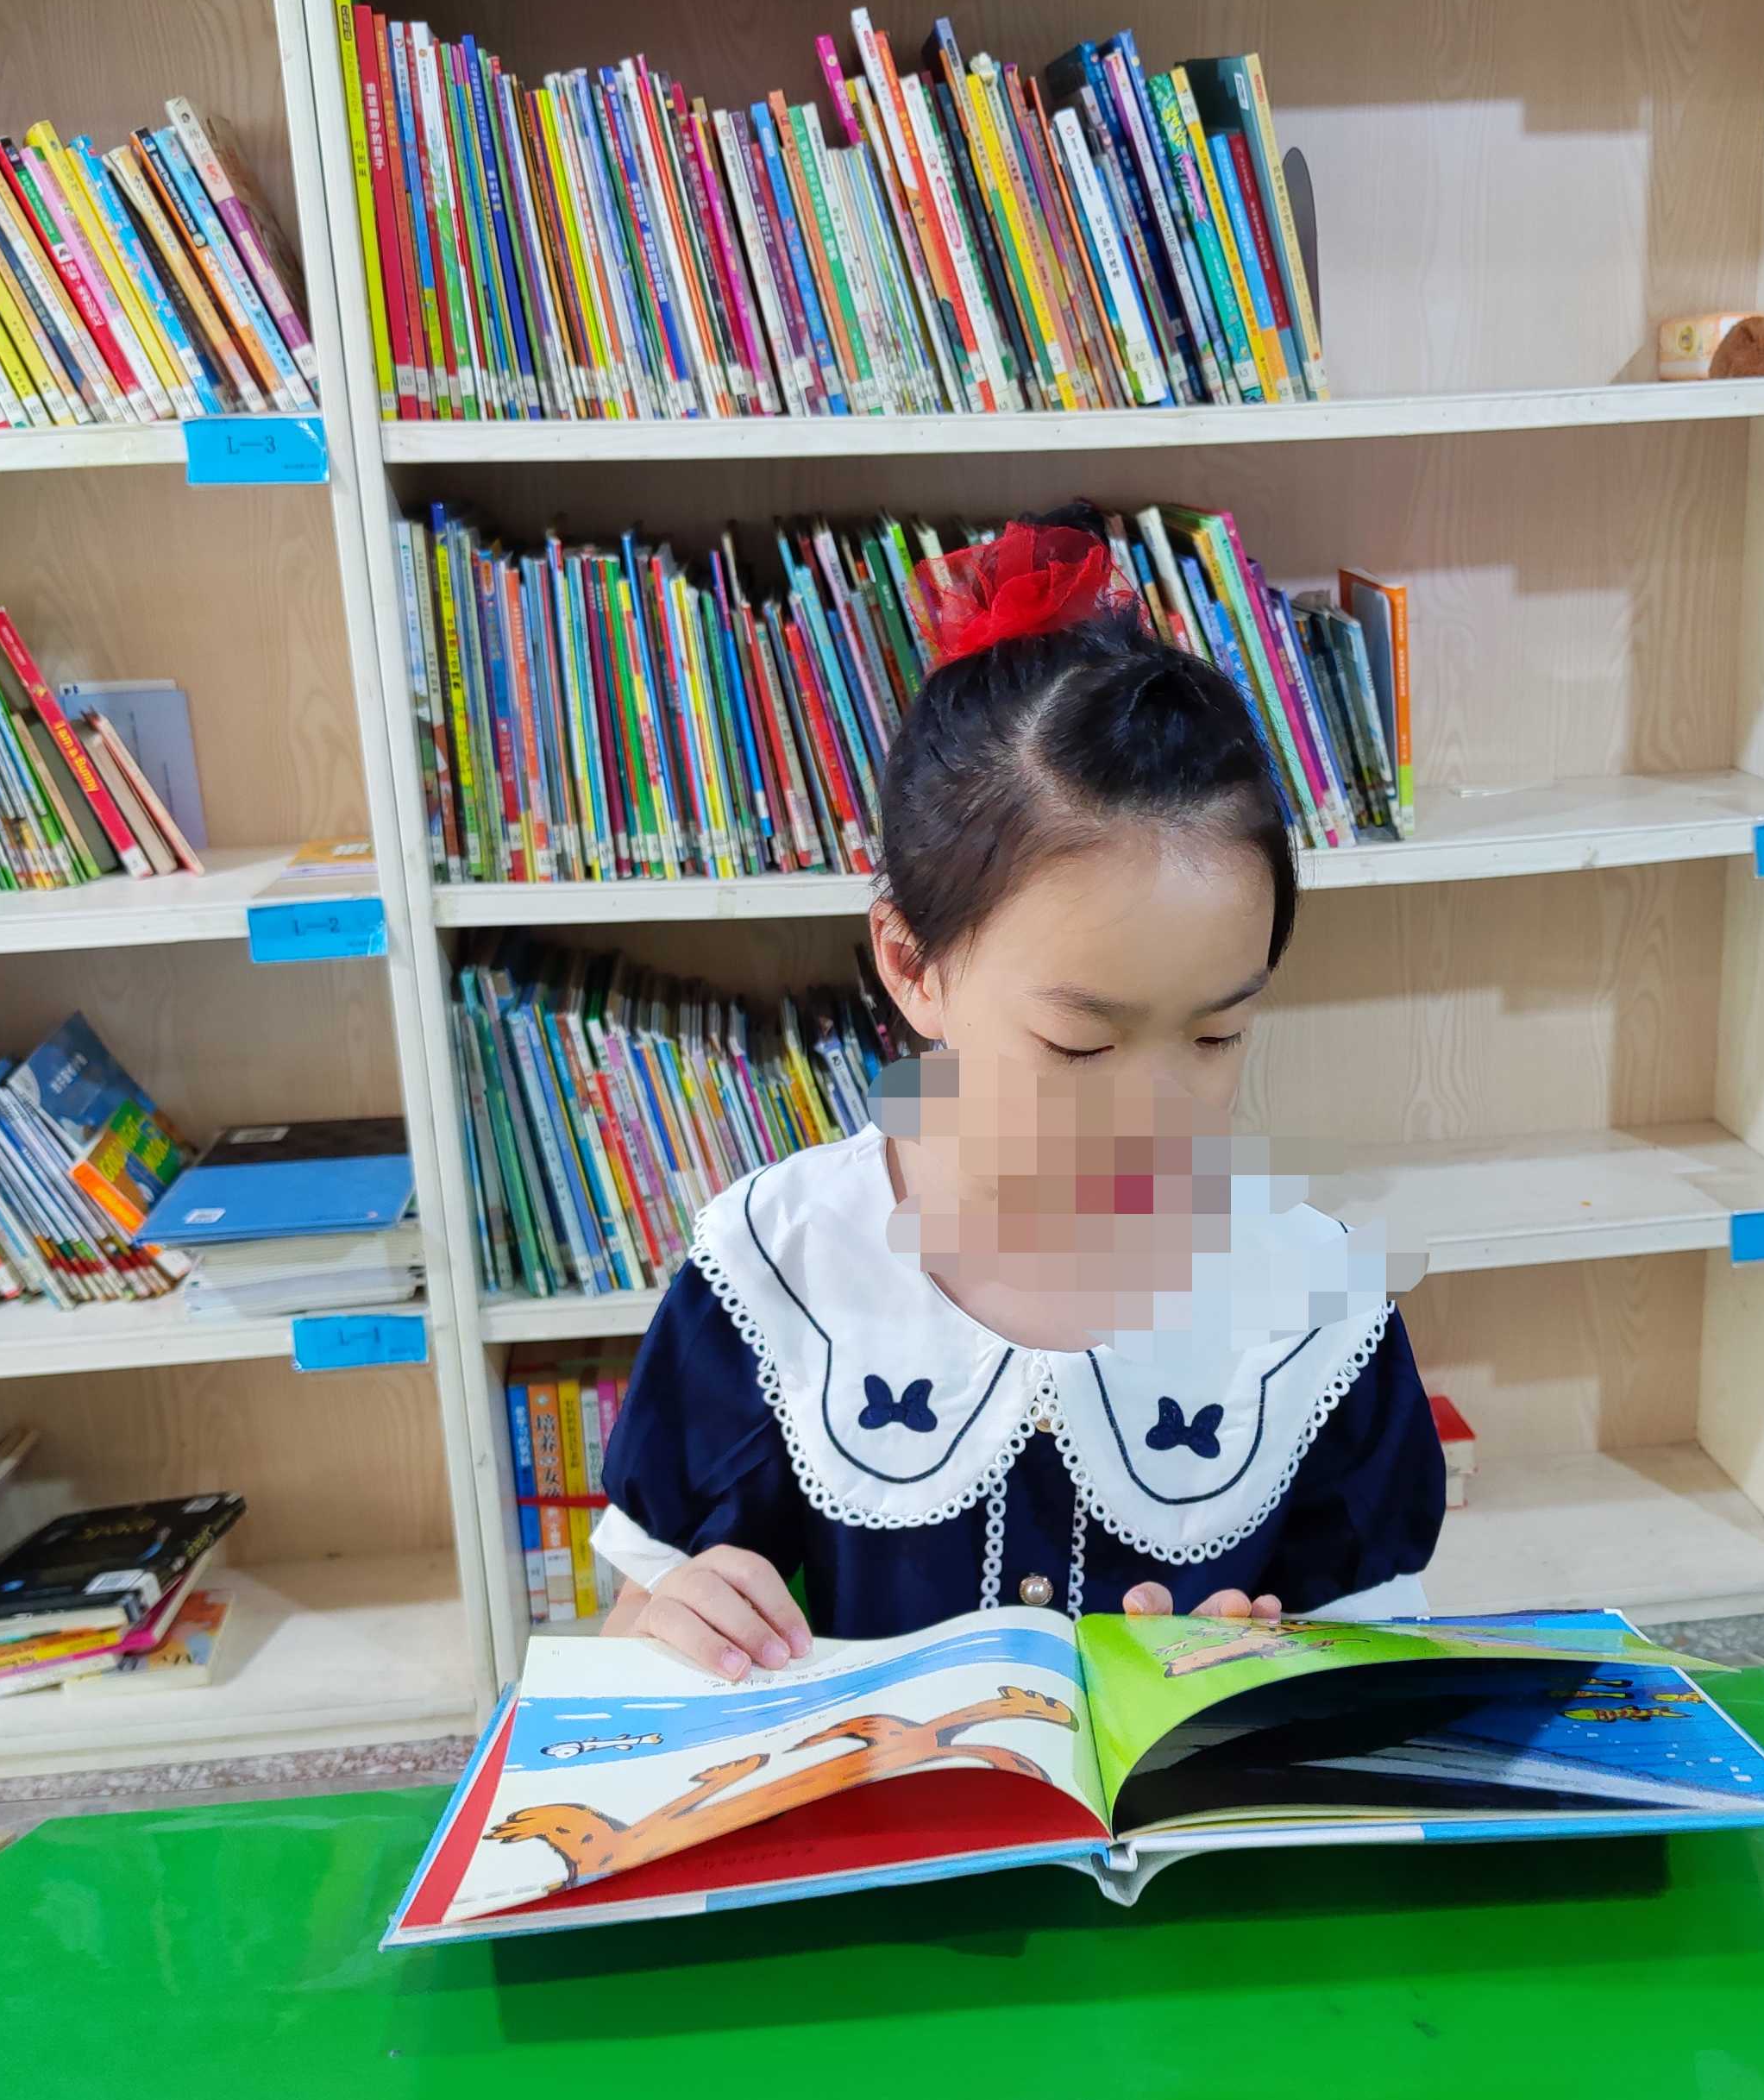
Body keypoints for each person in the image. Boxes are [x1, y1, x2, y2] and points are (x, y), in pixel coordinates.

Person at [593, 509, 1447, 1678]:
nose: (1160, 1118)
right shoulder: (778, 1269)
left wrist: (1278, 1672)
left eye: (1218, 1034)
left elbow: (1378, 1668)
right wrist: (677, 1627)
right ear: (913, 968)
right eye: (1080, 1046)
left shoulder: (1315, 1309)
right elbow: (637, 1642)